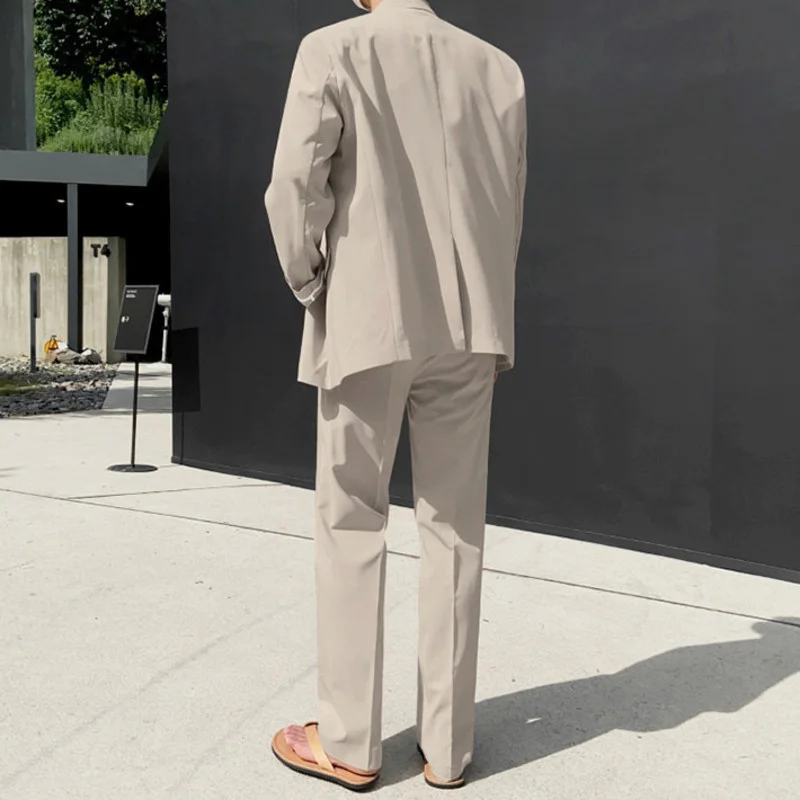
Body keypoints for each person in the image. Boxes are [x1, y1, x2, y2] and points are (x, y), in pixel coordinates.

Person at [265, 0, 527, 790]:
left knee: (351, 519)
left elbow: (294, 186)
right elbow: (506, 204)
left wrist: (313, 283)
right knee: (456, 530)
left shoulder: (334, 48)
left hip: (370, 319)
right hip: (471, 326)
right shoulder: (498, 68)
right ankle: (448, 749)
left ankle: (349, 743)